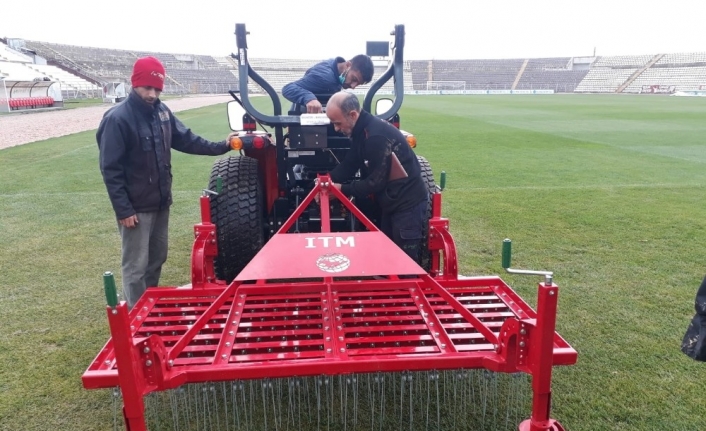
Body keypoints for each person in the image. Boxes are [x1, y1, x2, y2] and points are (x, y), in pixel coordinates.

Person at [96, 56, 237, 309]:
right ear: (134, 84)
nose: (152, 94)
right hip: (136, 208)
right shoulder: (117, 119)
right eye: (147, 88)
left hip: (161, 202)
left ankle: (148, 306)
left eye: (157, 89)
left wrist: (222, 146)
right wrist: (124, 209)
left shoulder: (161, 112)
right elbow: (110, 169)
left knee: (157, 258)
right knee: (135, 266)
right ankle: (137, 316)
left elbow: (186, 139)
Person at [324, 91, 429, 263]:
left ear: (352, 115)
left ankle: (406, 287)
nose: (336, 128)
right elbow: (351, 163)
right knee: (387, 256)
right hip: (391, 203)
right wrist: (327, 179)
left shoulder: (376, 137)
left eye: (337, 123)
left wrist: (342, 189)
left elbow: (375, 183)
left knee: (404, 262)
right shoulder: (362, 130)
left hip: (406, 205)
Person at [282, 55, 374, 113]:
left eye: (358, 84)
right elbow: (288, 88)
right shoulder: (325, 78)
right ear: (348, 65)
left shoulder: (335, 65)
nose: (353, 86)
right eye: (354, 79)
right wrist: (309, 98)